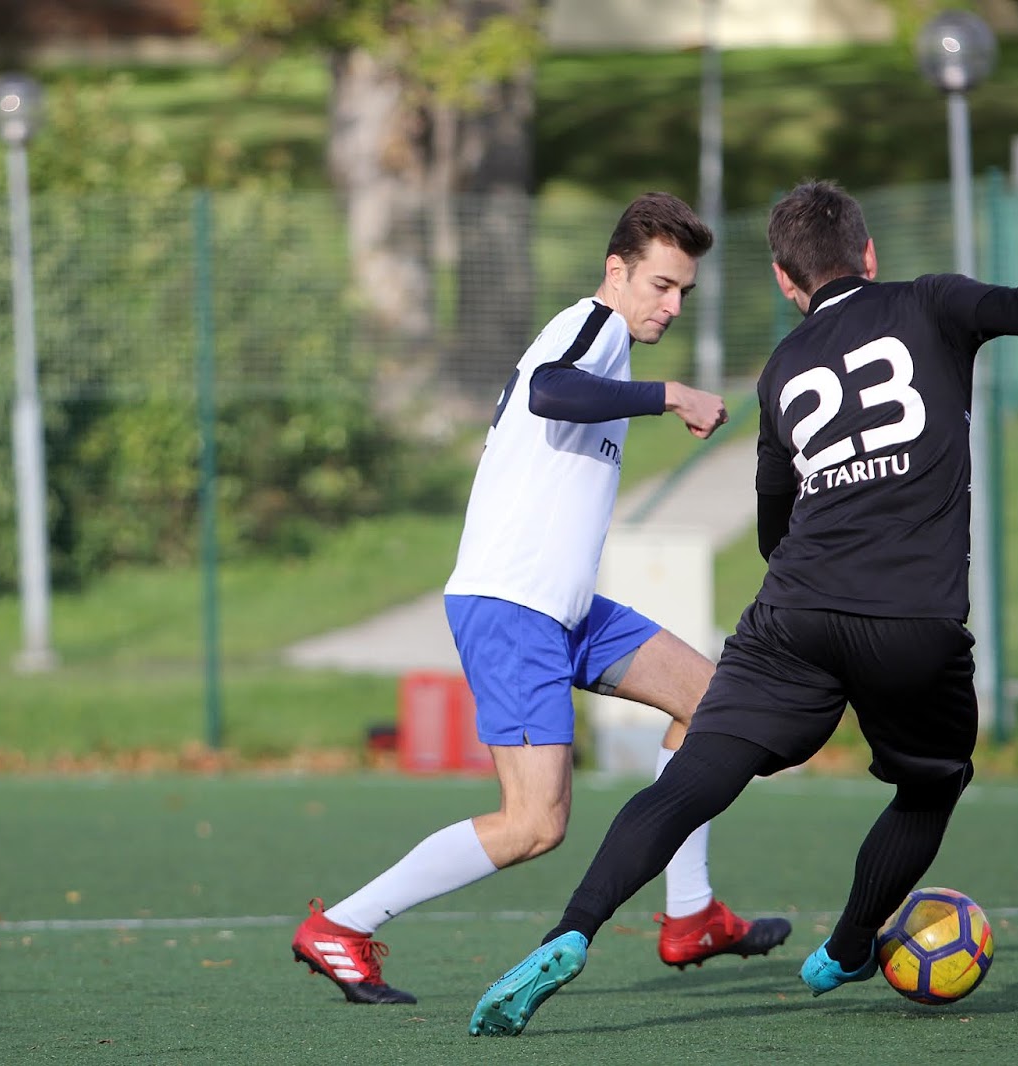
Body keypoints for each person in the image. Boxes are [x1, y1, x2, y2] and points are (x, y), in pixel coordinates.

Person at [469, 179, 1018, 1036]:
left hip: (793, 616)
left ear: (786, 281)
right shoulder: (932, 303)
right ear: (871, 255)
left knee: (694, 781)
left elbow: (774, 527)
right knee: (931, 783)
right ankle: (848, 946)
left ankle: (572, 930)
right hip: (912, 620)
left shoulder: (782, 369)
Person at [291, 192, 793, 1006]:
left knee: (714, 705)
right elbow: (550, 392)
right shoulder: (593, 326)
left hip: (568, 609)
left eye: (683, 292)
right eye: (661, 285)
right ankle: (342, 927)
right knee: (534, 824)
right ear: (616, 271)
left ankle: (691, 913)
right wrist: (670, 394)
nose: (672, 305)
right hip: (513, 606)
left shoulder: (608, 347)